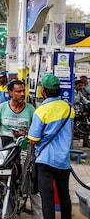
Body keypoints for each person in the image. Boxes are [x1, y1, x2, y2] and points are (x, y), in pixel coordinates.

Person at [0, 79, 43, 218]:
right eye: (18, 91)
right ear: (10, 93)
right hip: (5, 150)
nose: (21, 94)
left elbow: (36, 133)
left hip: (25, 148)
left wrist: (25, 134)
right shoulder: (1, 108)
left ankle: (39, 215)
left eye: (23, 91)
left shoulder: (31, 110)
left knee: (30, 179)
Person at [28, 74, 75, 219]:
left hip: (45, 160)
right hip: (63, 161)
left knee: (47, 198)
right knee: (64, 196)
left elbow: (33, 139)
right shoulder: (69, 108)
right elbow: (70, 131)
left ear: (43, 90)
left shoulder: (41, 111)